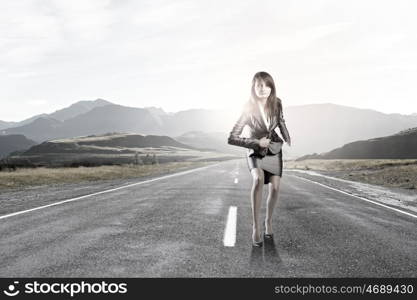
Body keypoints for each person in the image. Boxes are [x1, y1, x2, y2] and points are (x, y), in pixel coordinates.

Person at [227, 71, 291, 247]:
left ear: (271, 87)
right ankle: (255, 226)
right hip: (255, 151)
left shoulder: (277, 103)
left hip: (274, 149)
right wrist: (256, 142)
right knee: (258, 179)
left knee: (276, 188)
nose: (263, 89)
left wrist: (286, 136)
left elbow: (281, 121)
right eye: (259, 85)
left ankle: (268, 221)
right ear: (254, 88)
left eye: (266, 85)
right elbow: (232, 137)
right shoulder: (247, 109)